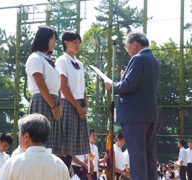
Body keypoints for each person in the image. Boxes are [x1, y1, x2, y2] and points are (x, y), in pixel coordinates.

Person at [104, 31, 161, 180]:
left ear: (135, 44)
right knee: (149, 155)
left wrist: (112, 86)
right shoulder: (154, 60)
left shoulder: (138, 59)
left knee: (137, 157)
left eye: (127, 45)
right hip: (149, 114)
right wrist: (124, 79)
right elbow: (139, 85)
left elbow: (129, 86)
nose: (126, 48)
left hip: (134, 115)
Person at [0, 113, 70, 180]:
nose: (18, 136)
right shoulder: (60, 165)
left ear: (26, 136)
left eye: (19, 134)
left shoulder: (14, 163)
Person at [55, 30, 90, 169]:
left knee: (73, 147)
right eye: (74, 42)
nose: (77, 45)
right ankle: (60, 174)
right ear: (66, 43)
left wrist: (85, 106)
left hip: (80, 106)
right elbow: (63, 87)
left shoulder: (79, 63)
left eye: (79, 42)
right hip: (68, 105)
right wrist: (77, 106)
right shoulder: (61, 60)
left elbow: (82, 87)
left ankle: (66, 174)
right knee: (64, 148)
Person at [25, 26, 62, 155]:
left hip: (54, 103)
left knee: (53, 145)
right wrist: (53, 107)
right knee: (40, 143)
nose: (54, 42)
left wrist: (59, 106)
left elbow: (57, 86)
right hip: (42, 100)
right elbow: (40, 84)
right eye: (52, 39)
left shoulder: (50, 61)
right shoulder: (35, 58)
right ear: (44, 39)